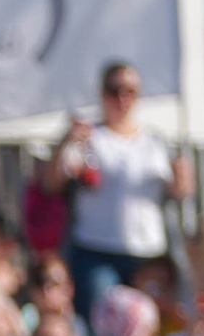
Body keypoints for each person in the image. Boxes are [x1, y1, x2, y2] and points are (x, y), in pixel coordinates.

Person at [42, 62, 192, 310]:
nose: (122, 98)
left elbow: (179, 193)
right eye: (115, 90)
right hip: (96, 249)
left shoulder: (155, 142)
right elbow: (52, 182)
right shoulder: (89, 137)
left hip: (147, 252)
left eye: (130, 91)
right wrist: (64, 143)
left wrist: (183, 178)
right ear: (102, 94)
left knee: (144, 324)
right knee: (103, 320)